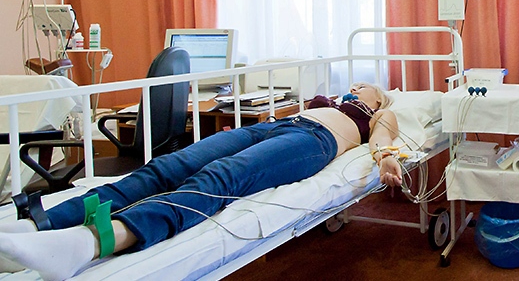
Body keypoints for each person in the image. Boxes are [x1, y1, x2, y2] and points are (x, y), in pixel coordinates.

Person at [0, 82, 404, 281]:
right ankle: (42, 225)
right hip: (270, 128)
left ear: (378, 98)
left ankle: (92, 242)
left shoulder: (378, 113)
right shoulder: (327, 100)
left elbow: (383, 138)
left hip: (313, 141)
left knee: (221, 177)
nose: (355, 87)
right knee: (166, 167)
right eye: (353, 84)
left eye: (364, 87)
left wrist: (385, 158)